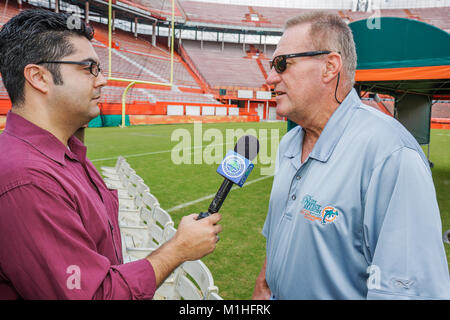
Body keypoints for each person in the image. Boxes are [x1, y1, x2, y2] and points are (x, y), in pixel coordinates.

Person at [0, 9, 222, 299]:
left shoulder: (65, 154)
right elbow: (94, 295)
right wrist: (178, 248)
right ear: (39, 77)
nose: (102, 80)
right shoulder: (28, 180)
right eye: (88, 68)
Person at [253, 11, 450, 300]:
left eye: (282, 64)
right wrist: (264, 286)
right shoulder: (289, 144)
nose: (270, 78)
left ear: (329, 66)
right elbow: (279, 242)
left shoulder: (391, 156)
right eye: (272, 66)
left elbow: (409, 292)